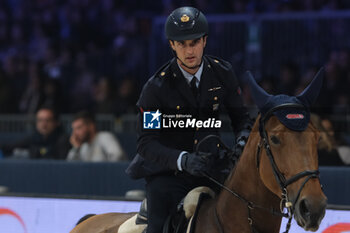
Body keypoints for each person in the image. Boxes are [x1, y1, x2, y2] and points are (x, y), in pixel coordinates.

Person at [126, 7, 251, 233]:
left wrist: (243, 140)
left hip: (212, 169)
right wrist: (183, 160)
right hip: (168, 175)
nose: (188, 50)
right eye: (181, 44)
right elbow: (146, 144)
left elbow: (241, 120)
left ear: (204, 41)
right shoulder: (155, 88)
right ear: (172, 45)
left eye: (193, 42)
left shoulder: (223, 73)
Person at [0, 105, 71, 159]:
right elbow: (10, 146)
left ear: (57, 122)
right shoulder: (34, 137)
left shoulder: (63, 140)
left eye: (48, 120)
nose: (43, 124)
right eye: (40, 120)